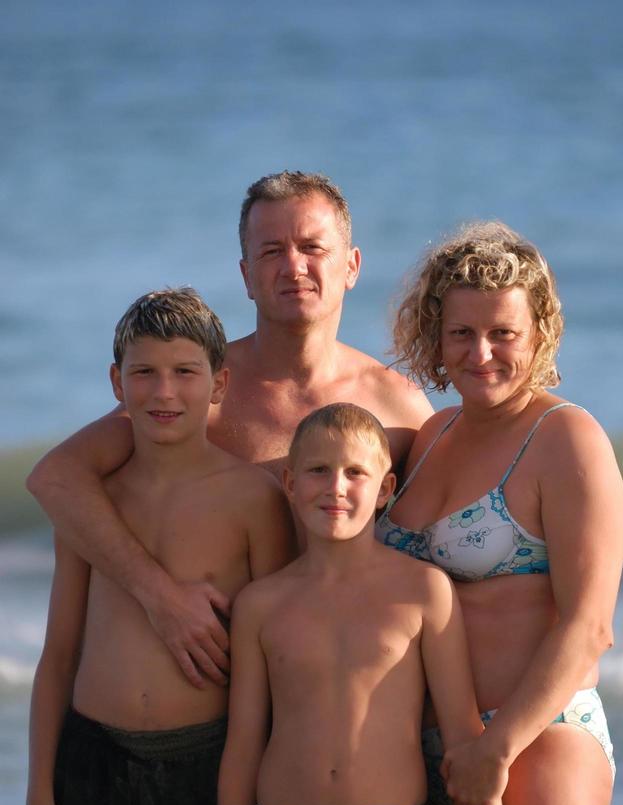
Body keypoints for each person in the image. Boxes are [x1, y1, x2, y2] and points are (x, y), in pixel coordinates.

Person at [26, 172, 432, 689]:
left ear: (351, 266)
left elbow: (441, 547)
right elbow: (56, 479)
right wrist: (160, 597)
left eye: (312, 247)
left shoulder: (397, 406)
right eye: (270, 252)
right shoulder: (204, 391)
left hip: (342, 692)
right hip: (219, 690)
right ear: (245, 275)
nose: (293, 266)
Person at [376, 223, 623, 805]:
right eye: (462, 332)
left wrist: (496, 749)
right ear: (435, 334)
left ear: (540, 330)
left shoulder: (566, 439)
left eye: (502, 332)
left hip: (536, 739)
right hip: (435, 751)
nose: (481, 352)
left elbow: (589, 628)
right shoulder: (431, 435)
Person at [26, 288, 296, 805]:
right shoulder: (93, 507)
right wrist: (39, 800)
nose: (163, 391)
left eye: (184, 372)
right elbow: (59, 657)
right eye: (144, 373)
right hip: (93, 771)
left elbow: (272, 674)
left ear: (219, 383)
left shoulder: (253, 501)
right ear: (116, 383)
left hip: (206, 774)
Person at [215, 403, 522, 805]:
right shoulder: (261, 604)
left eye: (355, 473)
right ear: (288, 482)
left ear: (384, 489)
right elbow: (242, 750)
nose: (336, 487)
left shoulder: (423, 593)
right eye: (318, 471)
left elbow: (465, 740)